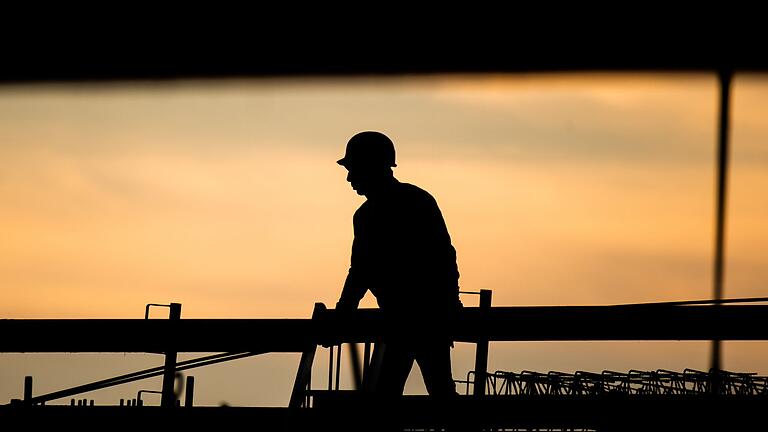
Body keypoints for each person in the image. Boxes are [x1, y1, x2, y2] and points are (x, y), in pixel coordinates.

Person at [335, 131, 463, 399]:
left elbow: (361, 271)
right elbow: (444, 258)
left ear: (371, 167)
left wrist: (343, 311)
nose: (349, 178)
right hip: (421, 319)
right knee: (437, 393)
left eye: (353, 169)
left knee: (389, 397)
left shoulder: (379, 212)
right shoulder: (410, 202)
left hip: (413, 320)